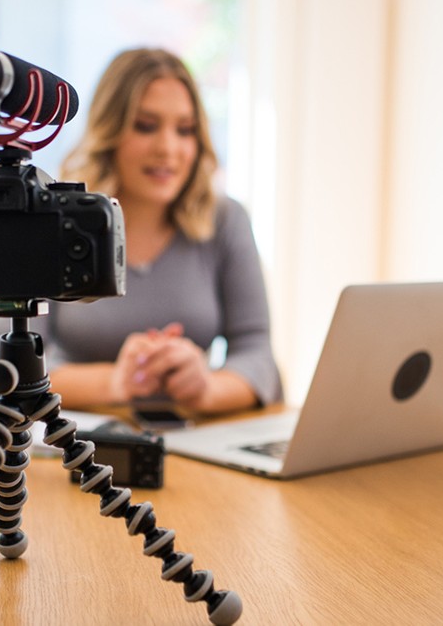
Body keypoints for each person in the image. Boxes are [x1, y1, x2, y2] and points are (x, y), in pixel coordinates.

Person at [32, 47, 282, 415]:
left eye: (185, 130)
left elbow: (258, 355)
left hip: (191, 440)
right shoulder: (48, 223)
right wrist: (117, 381)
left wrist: (206, 388)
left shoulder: (226, 220)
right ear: (110, 132)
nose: (168, 148)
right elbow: (16, 370)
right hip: (70, 446)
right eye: (146, 126)